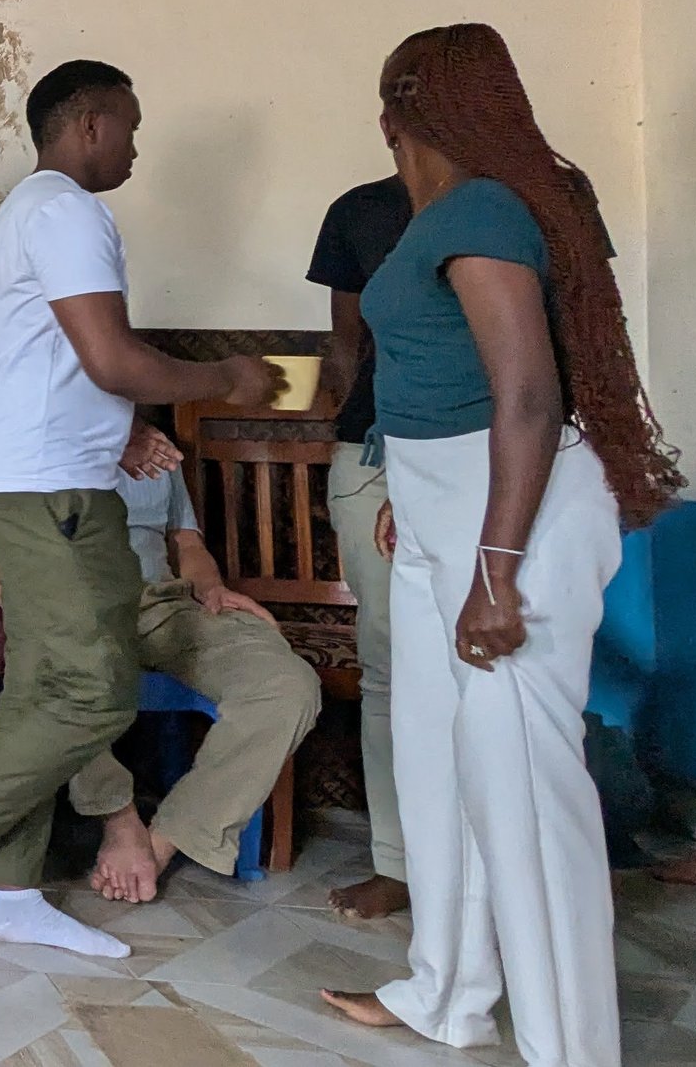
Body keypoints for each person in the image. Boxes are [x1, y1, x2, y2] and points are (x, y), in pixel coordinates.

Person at [320, 24, 680, 1067]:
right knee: (440, 765)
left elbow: (525, 394)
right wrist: (412, 493)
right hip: (448, 507)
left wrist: (495, 565)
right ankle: (447, 990)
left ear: (401, 104)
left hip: (510, 515)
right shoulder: (461, 205)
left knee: (522, 792)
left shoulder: (486, 205)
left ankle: (573, 1048)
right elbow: (442, 377)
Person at [0, 60, 279, 958]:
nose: (136, 148)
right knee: (97, 695)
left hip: (33, 481)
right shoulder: (69, 212)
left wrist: (118, 425)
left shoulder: (9, 224)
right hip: (51, 493)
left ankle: (15, 895)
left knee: (38, 695)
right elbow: (108, 357)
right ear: (92, 123)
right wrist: (227, 376)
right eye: (131, 128)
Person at [48, 457, 322, 902]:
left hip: (164, 604)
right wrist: (2, 577)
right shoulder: (43, 435)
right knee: (50, 665)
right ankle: (118, 820)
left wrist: (212, 587)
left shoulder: (157, 454)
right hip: (75, 603)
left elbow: (187, 546)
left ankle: (164, 840)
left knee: (287, 685)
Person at [305, 172, 415, 919]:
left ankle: (501, 857)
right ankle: (400, 862)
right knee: (388, 664)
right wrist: (356, 424)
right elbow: (347, 345)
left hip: (487, 456)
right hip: (373, 456)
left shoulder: (516, 196)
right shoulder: (360, 211)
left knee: (493, 664)